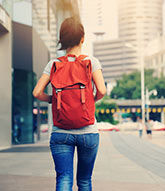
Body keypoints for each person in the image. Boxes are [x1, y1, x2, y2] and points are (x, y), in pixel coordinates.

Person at [33, 17, 106, 191]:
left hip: (61, 133)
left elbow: (36, 93)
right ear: (83, 38)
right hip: (88, 132)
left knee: (63, 179)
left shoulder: (54, 65)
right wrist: (90, 100)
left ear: (62, 40)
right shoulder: (91, 62)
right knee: (84, 181)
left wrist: (53, 99)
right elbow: (102, 91)